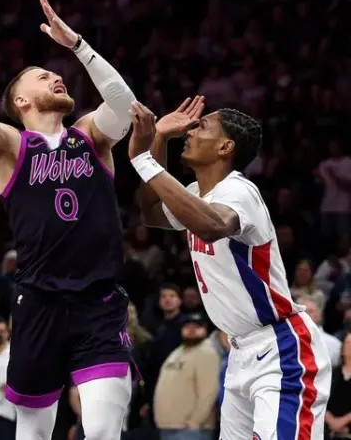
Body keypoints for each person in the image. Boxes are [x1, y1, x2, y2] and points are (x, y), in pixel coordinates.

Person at [0, 0, 138, 440]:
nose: (55, 76)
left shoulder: (91, 137)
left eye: (55, 73)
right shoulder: (9, 146)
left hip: (98, 303)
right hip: (38, 303)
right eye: (42, 76)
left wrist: (77, 45)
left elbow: (123, 106)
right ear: (21, 101)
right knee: (34, 433)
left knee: (101, 430)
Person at [130, 101, 332, 438]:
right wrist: (159, 139)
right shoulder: (196, 194)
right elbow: (150, 212)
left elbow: (211, 225)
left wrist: (144, 160)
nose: (189, 130)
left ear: (226, 147)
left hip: (281, 347)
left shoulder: (240, 190)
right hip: (238, 352)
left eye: (201, 126)